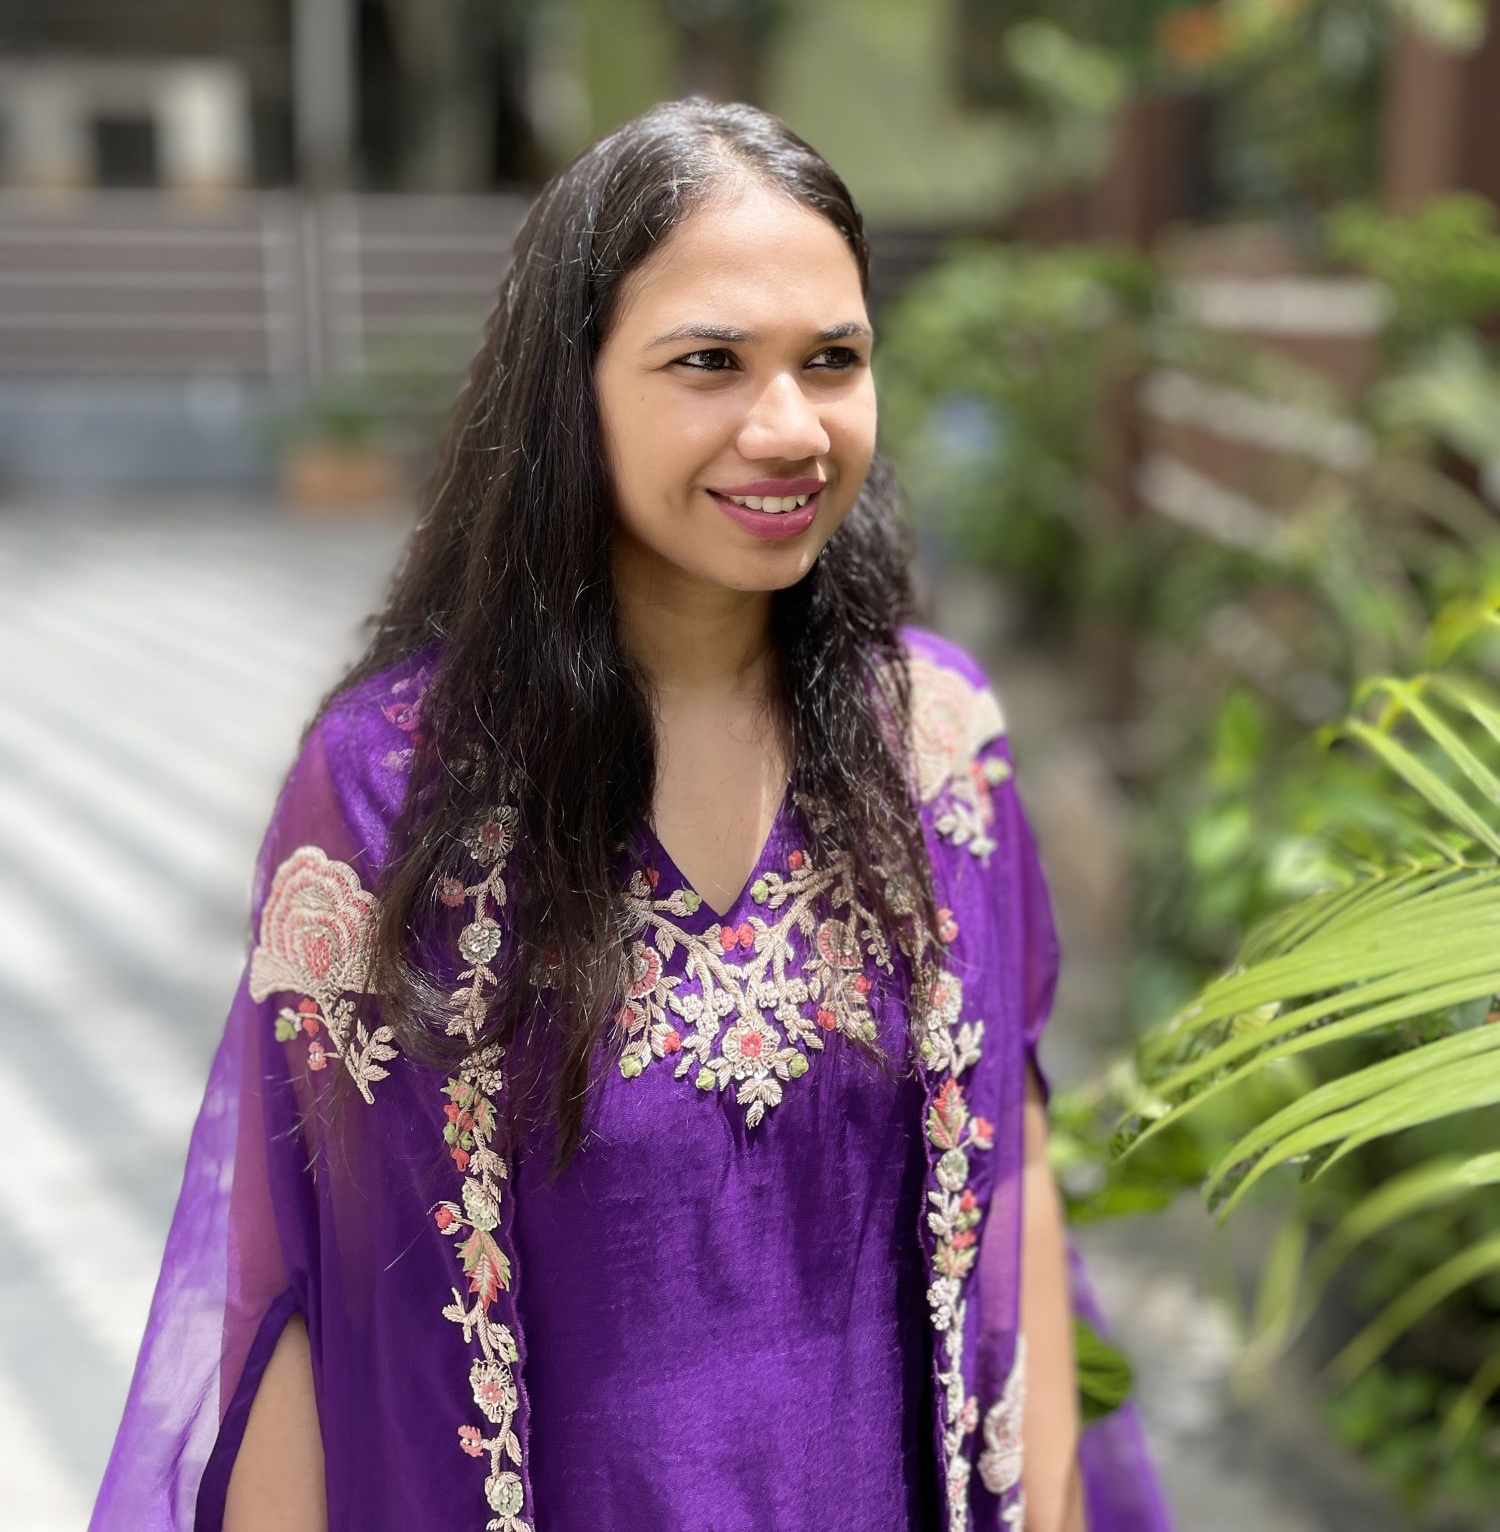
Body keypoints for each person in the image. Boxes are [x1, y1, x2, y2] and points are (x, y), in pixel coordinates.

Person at [90, 99, 1174, 1532]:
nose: (787, 428)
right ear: (574, 388)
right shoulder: (394, 789)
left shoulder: (937, 750)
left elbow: (1014, 1173)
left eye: (833, 361)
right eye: (709, 362)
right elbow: (318, 1297)